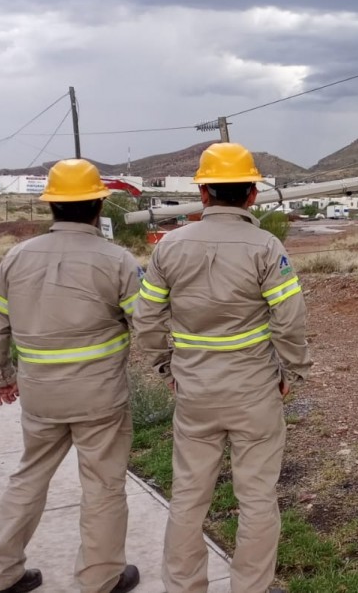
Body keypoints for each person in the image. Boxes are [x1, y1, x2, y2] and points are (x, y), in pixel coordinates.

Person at [133, 142, 312, 593]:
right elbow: (290, 319)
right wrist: (291, 372)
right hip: (254, 392)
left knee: (189, 497)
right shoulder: (267, 247)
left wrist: (164, 367)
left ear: (205, 194)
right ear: (252, 195)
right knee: (256, 499)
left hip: (194, 392)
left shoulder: (169, 247)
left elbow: (147, 317)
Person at [0, 159, 142, 593]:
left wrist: (2, 375)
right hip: (99, 397)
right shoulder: (117, 259)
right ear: (98, 205)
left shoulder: (16, 257)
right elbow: (147, 323)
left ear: (51, 205)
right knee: (104, 485)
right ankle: (100, 578)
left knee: (29, 477)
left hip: (40, 395)